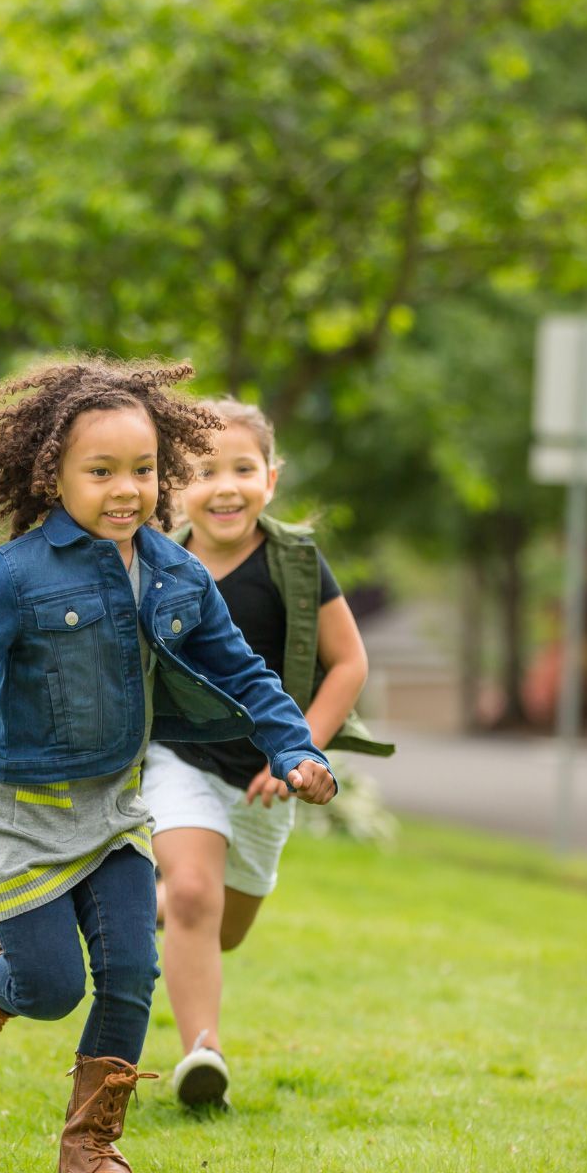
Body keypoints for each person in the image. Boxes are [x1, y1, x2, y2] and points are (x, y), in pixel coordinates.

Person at [0, 358, 336, 1173]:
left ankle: (91, 1146)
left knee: (130, 968)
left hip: (117, 807)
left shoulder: (174, 572)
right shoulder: (17, 574)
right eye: (102, 472)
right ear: (53, 475)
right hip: (23, 812)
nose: (127, 490)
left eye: (144, 470)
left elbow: (244, 671)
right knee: (47, 989)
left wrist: (294, 747)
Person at [143, 398, 393, 1110]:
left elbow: (349, 664)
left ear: (271, 479)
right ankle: (203, 1054)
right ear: (173, 487)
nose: (225, 486)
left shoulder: (296, 563)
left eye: (242, 469)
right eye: (203, 470)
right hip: (175, 758)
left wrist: (296, 752)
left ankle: (156, 902)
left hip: (265, 777)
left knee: (224, 928)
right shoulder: (154, 563)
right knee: (195, 894)